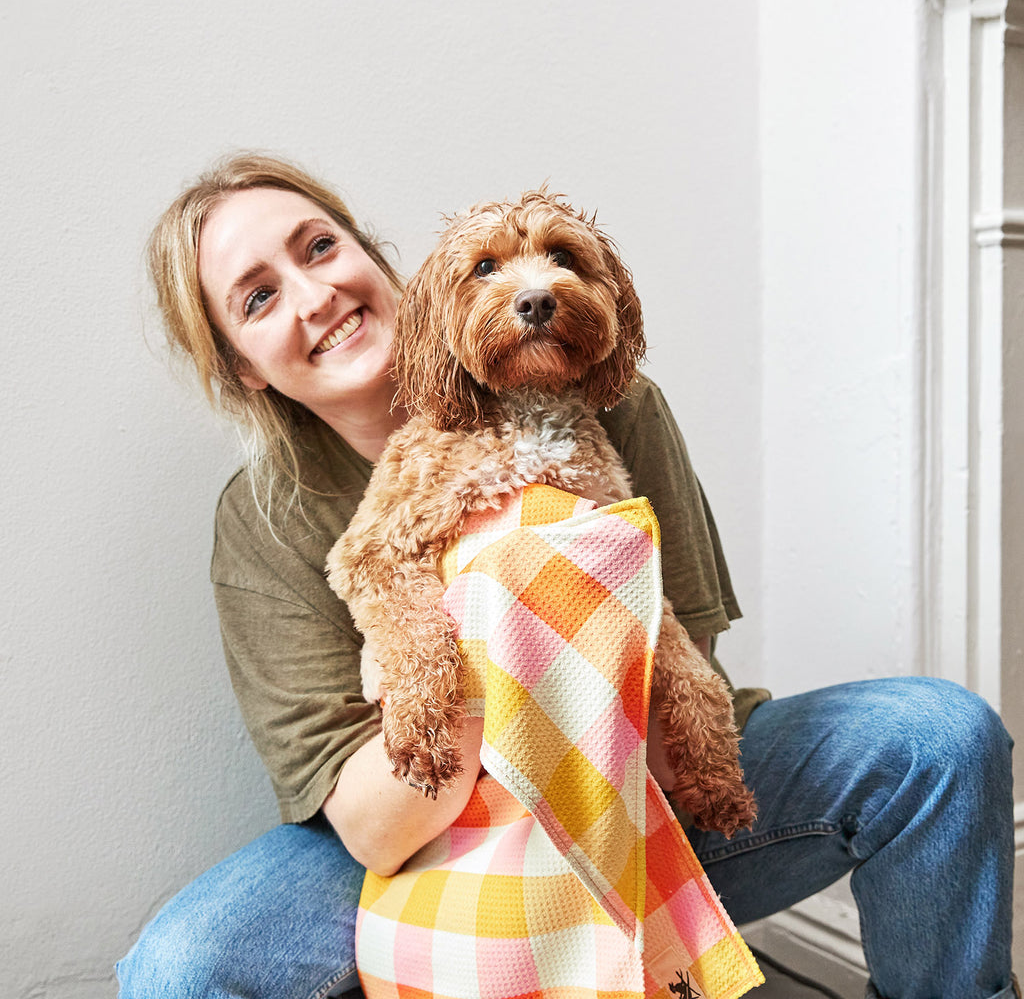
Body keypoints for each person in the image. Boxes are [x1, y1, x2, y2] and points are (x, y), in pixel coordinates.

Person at [117, 153, 1017, 999]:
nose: (314, 295)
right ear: (242, 366)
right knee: (180, 966)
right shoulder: (266, 515)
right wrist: (492, 641)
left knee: (939, 734)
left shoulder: (611, 401)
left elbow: (670, 684)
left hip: (639, 772)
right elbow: (371, 825)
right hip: (427, 827)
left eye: (321, 247)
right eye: (260, 297)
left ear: (380, 263)